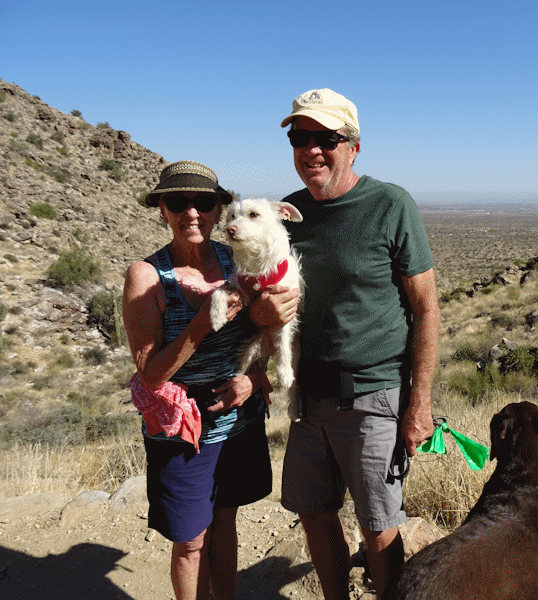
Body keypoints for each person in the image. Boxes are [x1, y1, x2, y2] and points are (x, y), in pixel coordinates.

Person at [276, 88, 440, 600]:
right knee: (314, 511)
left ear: (353, 147)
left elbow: (426, 309)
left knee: (378, 521)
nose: (313, 150)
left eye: (328, 138)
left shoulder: (390, 205)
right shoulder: (287, 215)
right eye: (301, 137)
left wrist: (420, 403)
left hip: (373, 393)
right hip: (307, 399)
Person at [122, 161, 281, 600]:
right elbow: (150, 373)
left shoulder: (239, 260)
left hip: (238, 416)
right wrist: (200, 326)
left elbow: (265, 328)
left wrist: (254, 378)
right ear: (162, 211)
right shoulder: (147, 275)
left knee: (225, 520)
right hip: (183, 427)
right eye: (178, 202)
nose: (191, 213)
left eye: (204, 203)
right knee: (191, 539)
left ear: (217, 212)